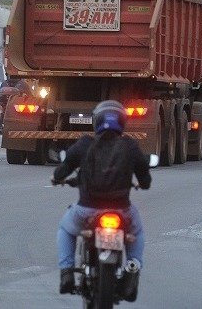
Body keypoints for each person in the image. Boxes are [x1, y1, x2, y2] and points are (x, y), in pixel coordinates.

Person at [52, 100, 152, 298]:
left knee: (65, 230)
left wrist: (57, 178)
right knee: (137, 232)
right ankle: (132, 270)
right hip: (122, 211)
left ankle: (67, 272)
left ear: (96, 122)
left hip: (86, 210)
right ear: (122, 123)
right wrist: (143, 182)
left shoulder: (85, 144)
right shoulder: (130, 146)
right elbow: (145, 178)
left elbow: (63, 169)